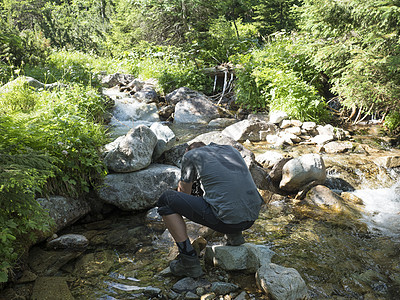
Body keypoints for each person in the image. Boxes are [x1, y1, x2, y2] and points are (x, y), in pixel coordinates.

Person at [157, 142, 264, 278]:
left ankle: (188, 261)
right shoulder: (230, 149)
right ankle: (235, 237)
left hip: (227, 221)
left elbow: (184, 193)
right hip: (251, 217)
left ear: (186, 151)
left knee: (166, 200)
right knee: (223, 192)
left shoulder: (191, 155)